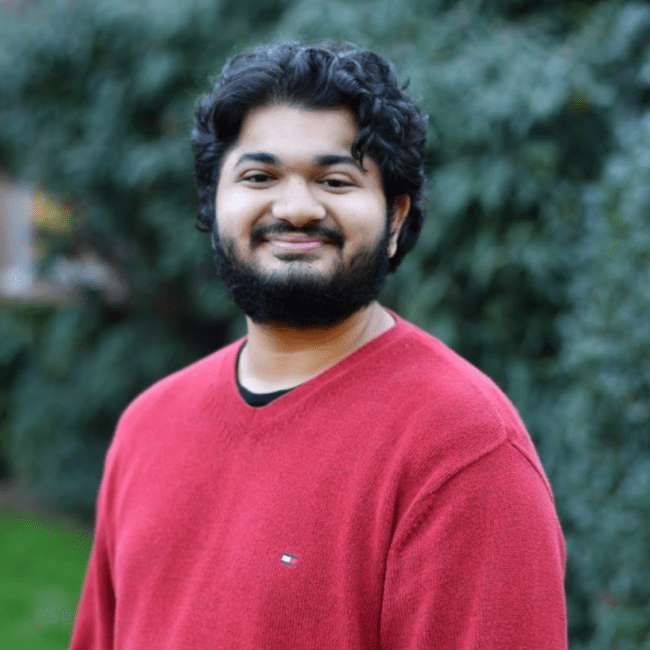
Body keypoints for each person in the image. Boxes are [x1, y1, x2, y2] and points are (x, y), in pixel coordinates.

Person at [69, 41, 567, 649]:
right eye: (259, 176)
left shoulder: (462, 449)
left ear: (394, 218)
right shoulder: (148, 427)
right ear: (214, 205)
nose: (297, 208)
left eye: (335, 179)